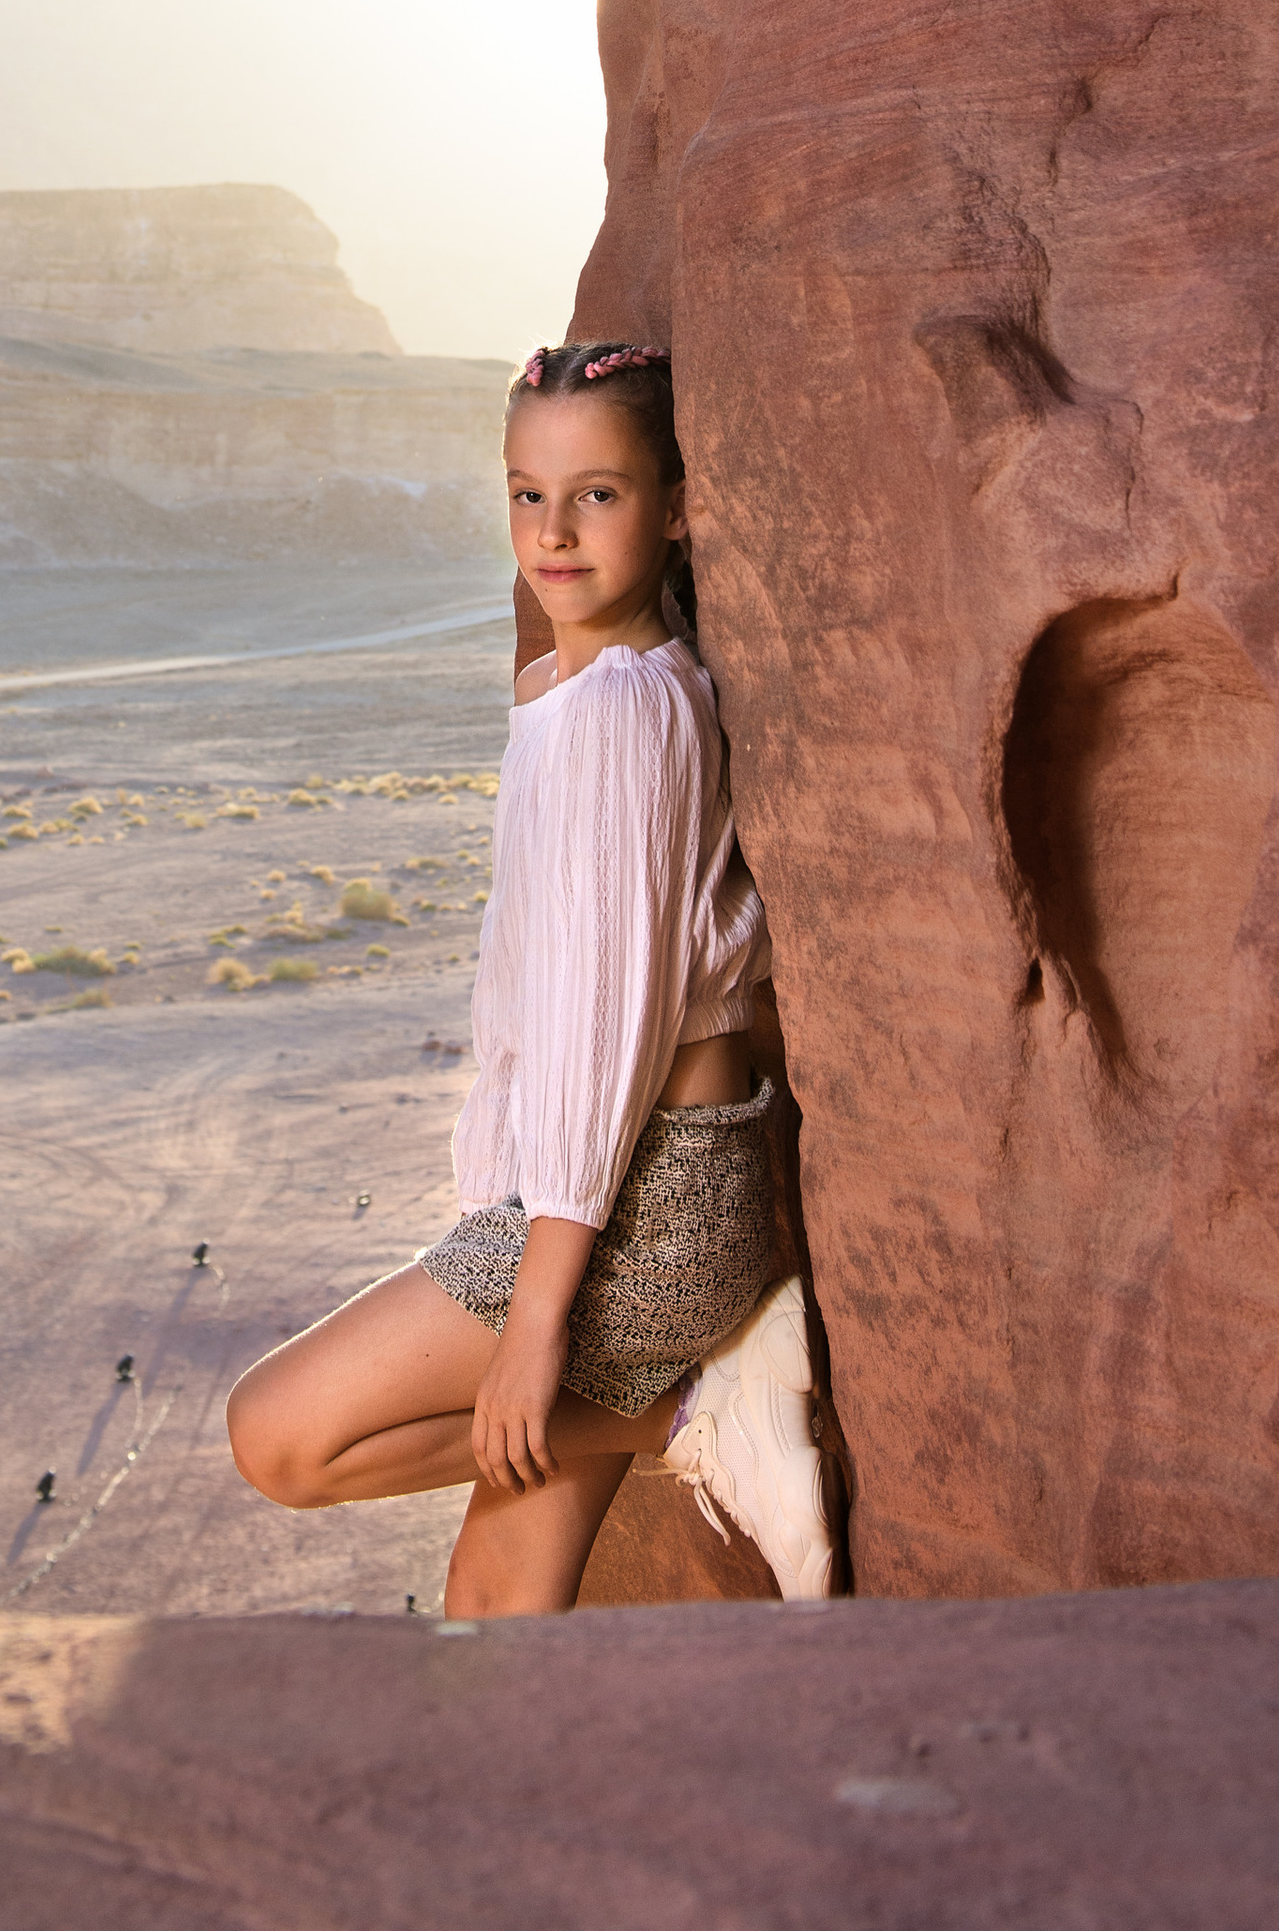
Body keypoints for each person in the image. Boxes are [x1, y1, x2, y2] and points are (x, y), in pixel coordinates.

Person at [225, 339, 838, 1616]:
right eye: (525, 492)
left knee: (280, 1437)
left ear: (677, 512)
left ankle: (686, 1409)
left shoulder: (623, 710)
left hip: (641, 1209)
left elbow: (603, 1040)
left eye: (597, 494)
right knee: (493, 1618)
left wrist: (531, 1326)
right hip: (613, 1193)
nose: (552, 532)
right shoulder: (563, 688)